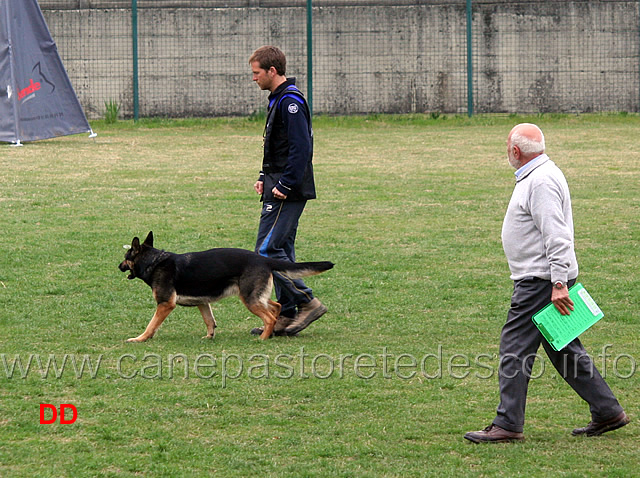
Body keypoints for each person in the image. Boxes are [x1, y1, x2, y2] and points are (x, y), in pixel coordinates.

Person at [464, 123, 629, 443]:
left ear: (515, 151)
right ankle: (608, 411)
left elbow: (557, 236)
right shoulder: (541, 174)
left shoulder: (540, 181)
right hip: (544, 278)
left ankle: (508, 424)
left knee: (514, 348)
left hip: (540, 281)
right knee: (563, 347)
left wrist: (558, 283)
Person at [247, 45, 327, 337]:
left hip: (287, 189)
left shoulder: (291, 102)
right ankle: (286, 313)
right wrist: (263, 176)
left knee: (266, 252)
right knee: (281, 251)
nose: (253, 78)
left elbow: (301, 148)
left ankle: (308, 302)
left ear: (272, 71)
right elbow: (275, 146)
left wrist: (284, 184)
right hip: (276, 183)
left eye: (256, 73)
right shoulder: (277, 100)